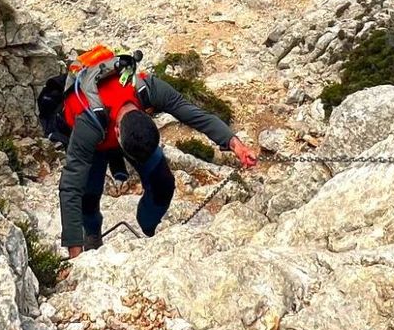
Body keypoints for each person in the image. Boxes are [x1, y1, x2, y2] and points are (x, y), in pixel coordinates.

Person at [53, 49, 257, 257]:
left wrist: (235, 144)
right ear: (116, 133)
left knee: (163, 184)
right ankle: (92, 235)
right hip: (95, 145)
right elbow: (71, 185)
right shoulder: (89, 123)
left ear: (146, 114)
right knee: (88, 195)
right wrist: (75, 251)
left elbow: (192, 112)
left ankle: (148, 227)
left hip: (129, 134)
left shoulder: (147, 88)